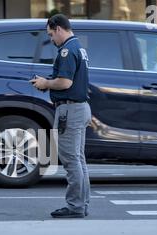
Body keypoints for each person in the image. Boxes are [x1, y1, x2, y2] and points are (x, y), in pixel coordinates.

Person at [30, 14, 92, 218]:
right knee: (79, 159)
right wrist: (48, 82)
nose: (51, 39)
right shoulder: (79, 48)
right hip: (80, 107)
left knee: (71, 160)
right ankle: (81, 204)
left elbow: (65, 83)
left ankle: (75, 206)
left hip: (70, 110)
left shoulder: (66, 50)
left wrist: (46, 83)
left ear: (58, 28)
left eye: (51, 34)